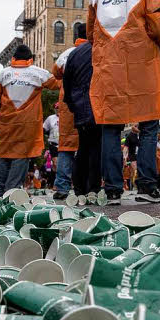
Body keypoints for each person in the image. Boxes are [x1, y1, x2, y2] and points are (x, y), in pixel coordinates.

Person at [86, 0, 160, 205]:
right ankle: (147, 186)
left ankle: (112, 190)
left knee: (110, 128)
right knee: (148, 125)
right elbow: (159, 30)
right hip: (143, 68)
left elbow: (91, 34)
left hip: (108, 70)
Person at [0, 43, 58, 193]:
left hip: (7, 122)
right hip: (28, 123)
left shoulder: (4, 74)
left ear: (13, 58)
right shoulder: (38, 73)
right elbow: (56, 84)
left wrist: (4, 108)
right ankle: (12, 191)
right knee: (21, 155)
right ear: (30, 59)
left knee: (3, 153)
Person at [62, 25, 101, 196]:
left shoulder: (73, 53)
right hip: (97, 104)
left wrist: (71, 103)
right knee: (96, 148)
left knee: (84, 147)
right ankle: (92, 187)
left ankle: (79, 188)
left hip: (79, 105)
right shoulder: (100, 48)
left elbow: (66, 81)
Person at [52, 24, 88, 199]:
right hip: (89, 103)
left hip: (68, 105)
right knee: (89, 146)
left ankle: (62, 187)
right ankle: (87, 187)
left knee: (66, 146)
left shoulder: (66, 54)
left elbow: (55, 74)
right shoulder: (96, 50)